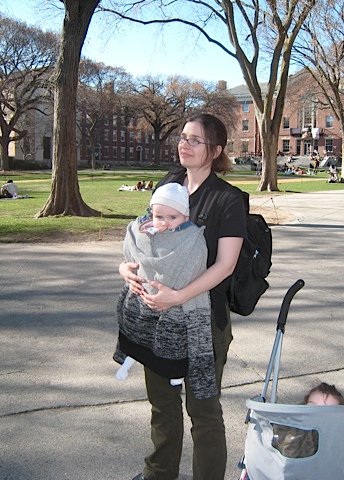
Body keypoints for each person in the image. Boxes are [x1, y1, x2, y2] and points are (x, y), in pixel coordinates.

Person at [119, 113, 247, 480]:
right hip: (158, 320)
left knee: (204, 413)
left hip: (204, 323)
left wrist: (178, 297)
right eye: (182, 137)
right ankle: (159, 474)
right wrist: (125, 267)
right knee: (162, 406)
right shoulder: (169, 183)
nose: (184, 145)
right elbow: (145, 238)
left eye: (195, 140)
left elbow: (225, 265)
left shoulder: (228, 199)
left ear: (216, 150)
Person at [114, 183, 213, 396]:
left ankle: (174, 371)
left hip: (175, 301)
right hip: (143, 296)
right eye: (159, 216)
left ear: (185, 217)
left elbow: (195, 264)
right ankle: (130, 358)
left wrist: (175, 288)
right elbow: (131, 252)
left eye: (172, 217)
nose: (165, 222)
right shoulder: (140, 231)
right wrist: (125, 268)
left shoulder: (191, 239)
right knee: (138, 332)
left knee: (172, 340)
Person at [271, 383, 344, 459]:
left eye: (325, 412)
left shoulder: (339, 440)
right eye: (312, 407)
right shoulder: (291, 429)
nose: (316, 414)